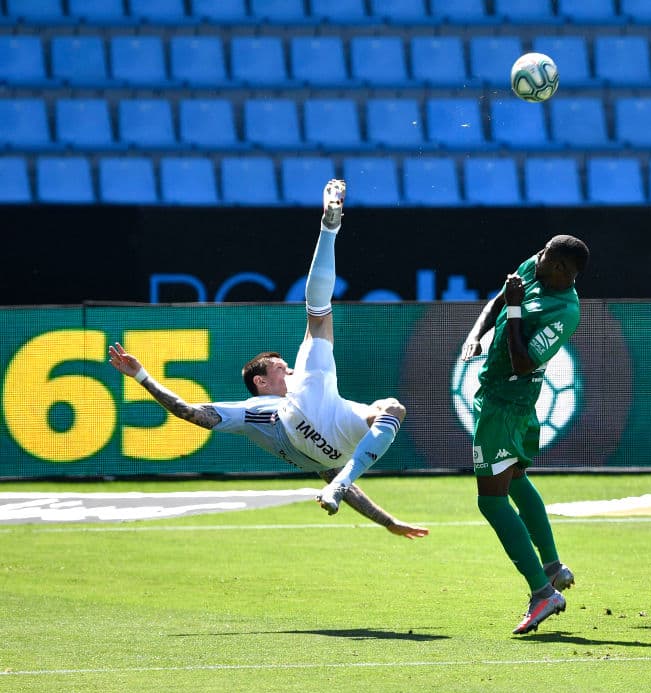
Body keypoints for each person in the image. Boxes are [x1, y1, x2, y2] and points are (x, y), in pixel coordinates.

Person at [108, 180, 428, 540]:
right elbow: (189, 412)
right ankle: (329, 229)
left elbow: (331, 474)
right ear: (261, 381)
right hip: (299, 420)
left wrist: (386, 521)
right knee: (318, 318)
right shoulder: (254, 410)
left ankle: (330, 228)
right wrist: (142, 376)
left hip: (332, 437)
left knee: (391, 408)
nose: (286, 366)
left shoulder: (286, 398)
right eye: (279, 365)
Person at [460, 235, 590, 635]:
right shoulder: (538, 264)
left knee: (492, 502)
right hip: (495, 394)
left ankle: (542, 592)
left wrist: (515, 308)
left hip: (509, 402)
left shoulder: (565, 312)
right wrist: (477, 333)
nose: (536, 262)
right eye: (540, 254)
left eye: (547, 261)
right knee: (515, 479)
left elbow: (521, 360)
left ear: (564, 272)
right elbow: (500, 298)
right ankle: (551, 566)